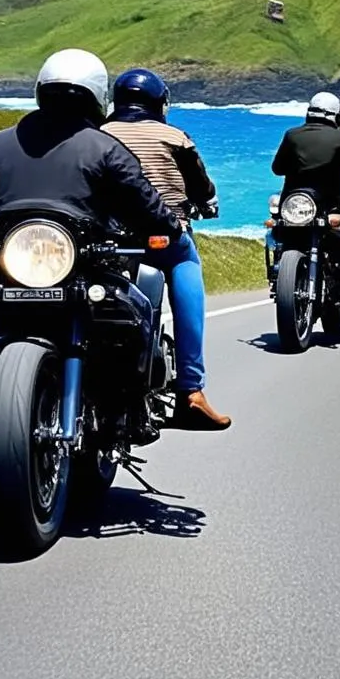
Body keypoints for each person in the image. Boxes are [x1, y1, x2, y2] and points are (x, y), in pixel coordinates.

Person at [0, 48, 227, 430]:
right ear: (97, 97)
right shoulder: (106, 146)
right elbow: (147, 204)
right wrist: (170, 226)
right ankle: (191, 389)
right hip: (78, 262)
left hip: (18, 260)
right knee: (182, 258)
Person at [101, 68, 230, 431]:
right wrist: (204, 203)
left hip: (110, 239)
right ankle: (192, 389)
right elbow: (202, 189)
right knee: (187, 264)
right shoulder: (176, 137)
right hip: (164, 235)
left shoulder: (98, 134)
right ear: (160, 103)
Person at [271, 91, 340, 310]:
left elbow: (277, 168)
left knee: (276, 230)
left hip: (293, 206)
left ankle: (277, 272)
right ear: (336, 117)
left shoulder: (291, 135)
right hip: (328, 209)